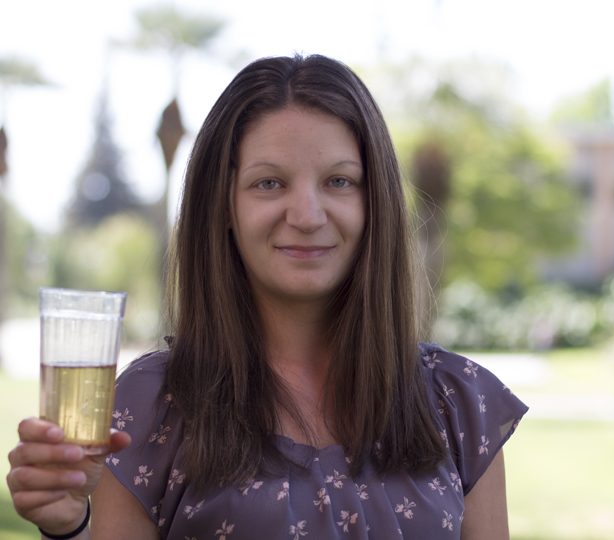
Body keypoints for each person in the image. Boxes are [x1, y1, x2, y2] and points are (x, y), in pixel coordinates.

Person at [7, 54, 527, 539]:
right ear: (223, 206)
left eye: (339, 181)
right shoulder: (150, 407)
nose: (307, 215)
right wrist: (70, 526)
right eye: (269, 184)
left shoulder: (459, 403)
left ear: (376, 203)